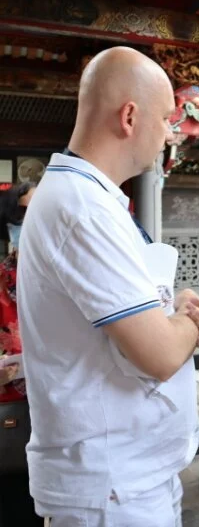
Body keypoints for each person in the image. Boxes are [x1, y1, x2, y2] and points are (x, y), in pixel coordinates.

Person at [16, 46, 199, 527]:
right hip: (110, 487)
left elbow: (139, 314)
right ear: (130, 116)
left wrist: (177, 306)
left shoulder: (89, 197)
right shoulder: (82, 207)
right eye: (167, 118)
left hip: (125, 478)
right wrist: (187, 322)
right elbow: (156, 352)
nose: (170, 134)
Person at [0, 182, 42, 527]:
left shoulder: (64, 278)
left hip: (61, 411)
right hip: (12, 414)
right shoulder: (2, 281)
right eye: (22, 214)